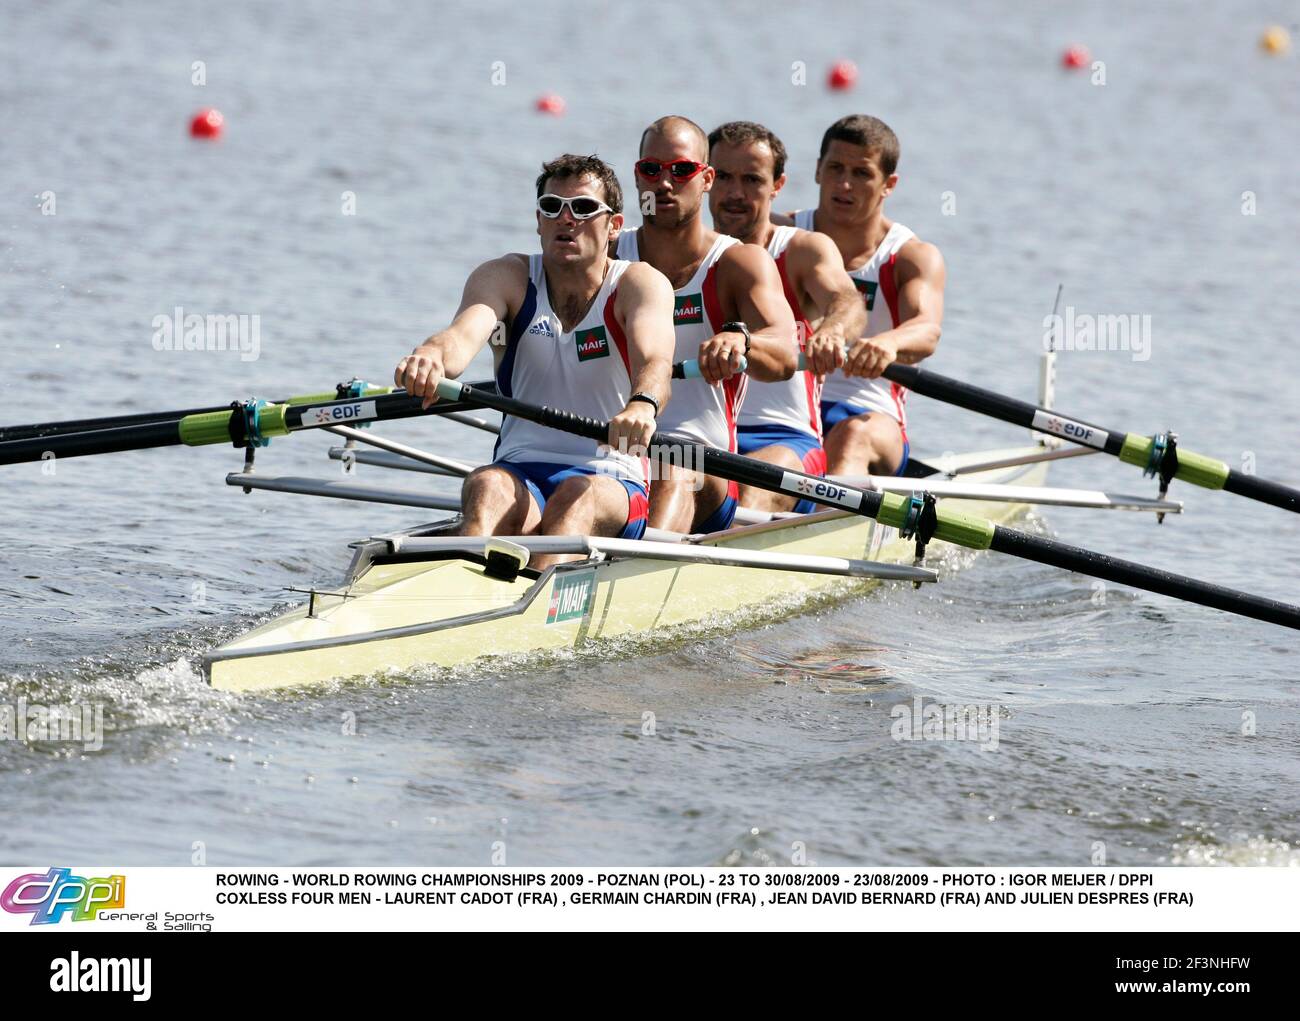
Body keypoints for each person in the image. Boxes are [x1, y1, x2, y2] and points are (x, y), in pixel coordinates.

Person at [395, 154, 675, 565]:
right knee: (485, 485)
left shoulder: (638, 284)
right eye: (552, 208)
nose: (566, 219)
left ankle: (532, 607)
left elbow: (656, 362)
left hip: (611, 479)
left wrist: (642, 406)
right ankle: (460, 591)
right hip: (520, 470)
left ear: (614, 226)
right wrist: (429, 357)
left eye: (582, 208)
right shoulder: (505, 277)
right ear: (538, 221)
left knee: (573, 503)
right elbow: (461, 336)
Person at [617, 115, 797, 533]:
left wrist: (742, 341)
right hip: (617, 453)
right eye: (652, 169)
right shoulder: (608, 253)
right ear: (637, 176)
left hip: (704, 463)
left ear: (707, 178)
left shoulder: (739, 262)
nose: (665, 182)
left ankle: (639, 571)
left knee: (675, 465)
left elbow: (786, 353)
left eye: (681, 170)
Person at [707, 120, 866, 512]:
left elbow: (847, 301)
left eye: (752, 180)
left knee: (747, 493)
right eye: (724, 177)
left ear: (777, 186)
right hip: (705, 439)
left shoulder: (803, 251)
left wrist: (831, 331)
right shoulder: (682, 255)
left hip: (785, 441)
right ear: (706, 179)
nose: (735, 193)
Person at [777, 114, 945, 476]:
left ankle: (825, 525)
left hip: (868, 411)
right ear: (818, 170)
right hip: (781, 409)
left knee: (852, 436)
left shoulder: (910, 257)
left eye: (862, 173)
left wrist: (888, 343)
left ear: (889, 184)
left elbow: (927, 329)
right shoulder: (781, 235)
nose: (845, 184)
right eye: (836, 168)